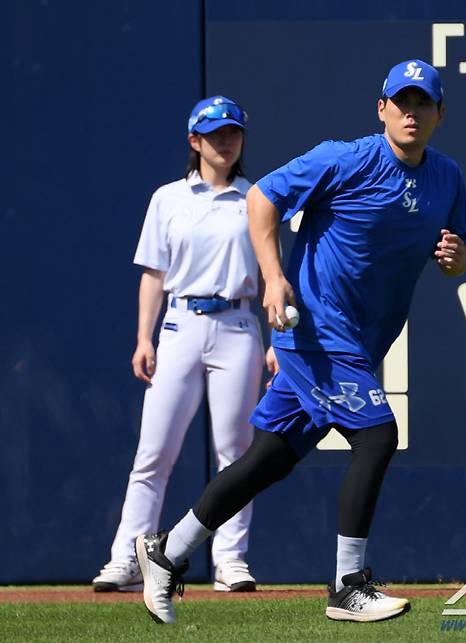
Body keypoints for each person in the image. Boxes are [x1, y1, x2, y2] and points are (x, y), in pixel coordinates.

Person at [135, 59, 466, 624]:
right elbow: (261, 199)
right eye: (402, 101)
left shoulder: (447, 177)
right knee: (377, 434)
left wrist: (457, 259)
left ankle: (167, 552)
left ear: (440, 114)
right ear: (382, 109)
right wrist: (273, 277)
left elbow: (461, 250)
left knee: (267, 461)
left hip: (361, 343)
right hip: (316, 332)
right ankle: (348, 583)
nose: (411, 112)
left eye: (423, 103)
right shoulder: (345, 158)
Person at [93, 96, 269, 594]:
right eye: (215, 134)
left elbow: (273, 275)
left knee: (236, 453)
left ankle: (230, 561)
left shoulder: (257, 197)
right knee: (154, 452)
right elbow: (154, 273)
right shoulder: (168, 198)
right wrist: (142, 338)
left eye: (233, 132)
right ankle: (128, 558)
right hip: (180, 325)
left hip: (238, 325)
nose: (226, 141)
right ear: (194, 141)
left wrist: (277, 338)